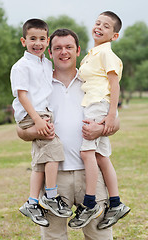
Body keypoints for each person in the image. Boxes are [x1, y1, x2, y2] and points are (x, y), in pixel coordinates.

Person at [17, 28, 120, 240]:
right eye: (57, 48)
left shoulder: (93, 81)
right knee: (54, 237)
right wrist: (37, 130)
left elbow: (115, 121)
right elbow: (20, 129)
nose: (63, 52)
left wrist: (100, 129)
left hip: (90, 175)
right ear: (50, 52)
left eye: (69, 47)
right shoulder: (39, 85)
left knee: (99, 236)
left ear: (78, 50)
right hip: (54, 178)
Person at [69, 11, 130, 230]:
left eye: (106, 26)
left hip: (98, 105)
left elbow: (114, 85)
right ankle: (116, 203)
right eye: (97, 23)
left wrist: (111, 115)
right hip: (95, 104)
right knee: (101, 156)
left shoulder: (106, 54)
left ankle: (90, 203)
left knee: (87, 153)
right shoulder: (92, 53)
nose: (99, 27)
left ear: (114, 36)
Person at [10, 19, 72, 227]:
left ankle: (32, 201)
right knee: (54, 148)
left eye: (42, 39)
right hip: (32, 113)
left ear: (47, 41)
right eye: (32, 39)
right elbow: (22, 96)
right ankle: (51, 197)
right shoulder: (21, 66)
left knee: (41, 162)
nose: (37, 43)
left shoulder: (45, 63)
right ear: (23, 41)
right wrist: (37, 119)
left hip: (43, 112)